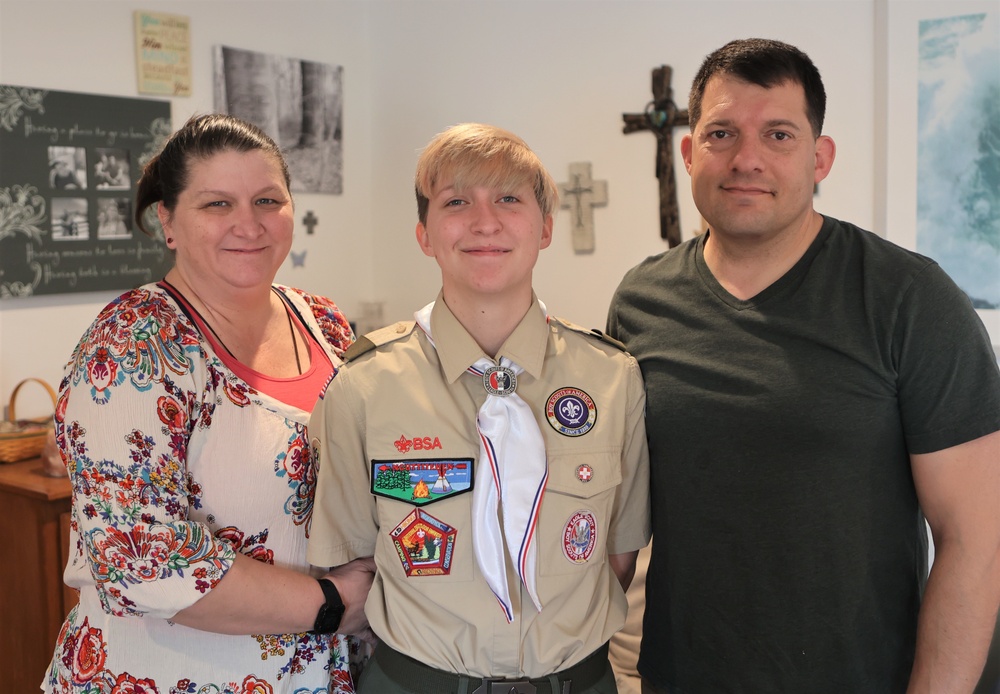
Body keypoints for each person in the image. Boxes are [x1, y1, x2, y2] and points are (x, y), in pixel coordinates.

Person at [607, 38, 1000, 693]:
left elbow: (975, 540)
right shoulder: (640, 302)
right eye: (721, 133)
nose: (746, 159)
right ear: (688, 152)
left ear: (820, 159)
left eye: (779, 135)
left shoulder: (909, 299)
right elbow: (614, 513)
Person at [308, 122, 651, 693]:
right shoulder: (365, 384)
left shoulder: (613, 379)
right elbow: (352, 565)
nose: (484, 221)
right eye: (457, 201)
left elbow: (617, 556)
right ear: (424, 233)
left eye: (509, 199)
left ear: (545, 228)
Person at [43, 113, 375, 693]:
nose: (248, 224)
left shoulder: (323, 323)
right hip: (169, 674)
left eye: (267, 200)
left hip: (319, 673)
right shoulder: (137, 341)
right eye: (217, 204)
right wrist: (332, 604)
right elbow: (142, 557)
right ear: (168, 221)